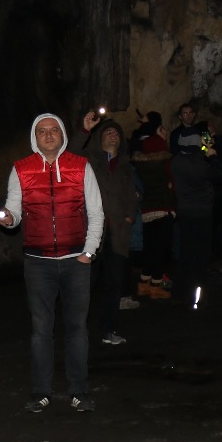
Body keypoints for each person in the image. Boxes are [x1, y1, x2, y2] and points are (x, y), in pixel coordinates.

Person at [0, 113, 104, 412]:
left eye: (54, 130)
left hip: (76, 261)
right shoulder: (21, 169)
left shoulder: (80, 166)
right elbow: (14, 211)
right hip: (38, 262)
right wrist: (9, 219)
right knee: (41, 329)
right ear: (35, 136)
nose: (48, 135)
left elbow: (96, 212)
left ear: (62, 134)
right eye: (42, 131)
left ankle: (79, 390)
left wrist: (89, 252)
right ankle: (41, 390)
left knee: (76, 328)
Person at [75, 118, 138, 343]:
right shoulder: (88, 160)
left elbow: (132, 194)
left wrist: (130, 215)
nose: (113, 135)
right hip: (92, 234)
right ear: (99, 137)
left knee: (114, 284)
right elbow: (69, 154)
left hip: (117, 235)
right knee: (85, 284)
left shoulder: (124, 166)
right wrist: (85, 131)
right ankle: (77, 330)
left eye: (117, 133)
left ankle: (108, 330)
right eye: (108, 132)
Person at [169, 103, 222, 309]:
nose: (189, 115)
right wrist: (206, 156)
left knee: (187, 250)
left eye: (192, 112)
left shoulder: (201, 133)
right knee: (198, 251)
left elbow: (207, 147)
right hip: (198, 202)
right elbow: (209, 152)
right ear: (180, 115)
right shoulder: (177, 136)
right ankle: (196, 292)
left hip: (186, 202)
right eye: (185, 113)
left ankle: (182, 291)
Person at [130, 114, 175, 297]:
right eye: (162, 130)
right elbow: (170, 182)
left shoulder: (140, 161)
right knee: (160, 249)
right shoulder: (163, 159)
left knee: (150, 248)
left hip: (147, 209)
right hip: (163, 207)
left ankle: (144, 283)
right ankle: (156, 286)